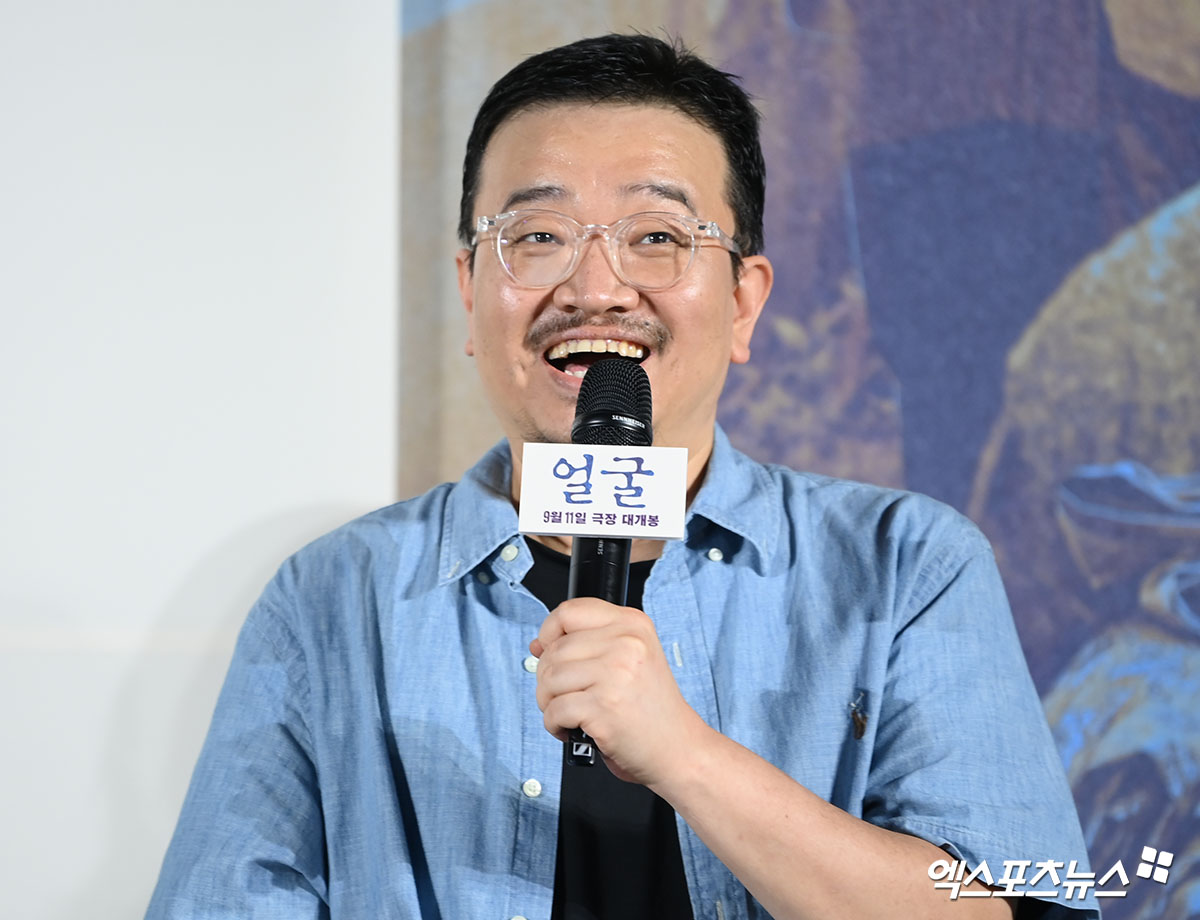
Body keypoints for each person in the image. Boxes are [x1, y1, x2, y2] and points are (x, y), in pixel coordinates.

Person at [146, 34, 1098, 920]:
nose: (596, 289)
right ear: (470, 293)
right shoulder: (333, 599)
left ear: (743, 304)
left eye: (656, 237)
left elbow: (1013, 906)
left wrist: (683, 753)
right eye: (537, 236)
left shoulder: (907, 567)